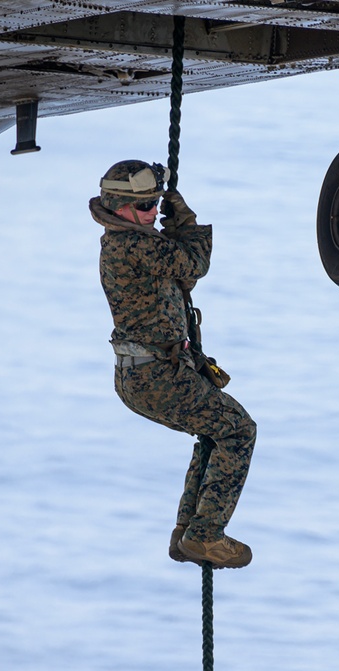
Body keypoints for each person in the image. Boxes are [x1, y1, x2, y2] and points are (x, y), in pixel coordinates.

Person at [89, 159, 256, 569]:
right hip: (157, 376)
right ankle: (204, 535)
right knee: (238, 432)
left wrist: (174, 223)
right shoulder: (136, 245)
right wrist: (186, 219)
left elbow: (181, 277)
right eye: (145, 207)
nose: (151, 213)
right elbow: (195, 264)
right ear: (120, 208)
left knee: (214, 433)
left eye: (154, 205)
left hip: (145, 374)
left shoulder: (124, 243)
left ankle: (187, 534)